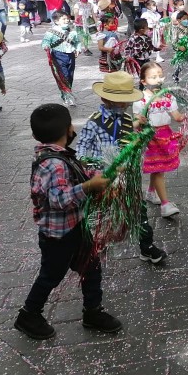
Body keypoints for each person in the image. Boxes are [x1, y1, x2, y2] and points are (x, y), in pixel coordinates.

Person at [13, 104, 120, 340]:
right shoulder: (54, 163)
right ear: (70, 129)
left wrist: (98, 178)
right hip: (58, 235)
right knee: (51, 275)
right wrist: (88, 187)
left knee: (91, 267)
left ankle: (92, 311)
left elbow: (78, 174)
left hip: (76, 226)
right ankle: (28, 314)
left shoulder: (59, 156)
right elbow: (58, 199)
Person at [76, 72, 167, 263]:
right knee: (100, 212)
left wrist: (141, 136)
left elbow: (127, 144)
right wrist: (98, 167)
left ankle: (146, 246)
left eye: (126, 101)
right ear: (105, 98)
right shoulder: (94, 122)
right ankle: (95, 241)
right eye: (120, 101)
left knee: (139, 210)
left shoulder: (126, 120)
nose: (125, 104)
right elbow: (81, 153)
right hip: (102, 179)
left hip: (126, 179)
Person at [133, 63, 185, 218]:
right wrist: (139, 120)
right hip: (150, 138)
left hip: (164, 136)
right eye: (153, 77)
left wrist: (187, 117)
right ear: (143, 81)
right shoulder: (140, 99)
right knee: (157, 170)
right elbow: (136, 121)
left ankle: (150, 192)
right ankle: (165, 205)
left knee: (158, 169)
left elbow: (176, 116)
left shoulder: (168, 96)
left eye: (160, 75)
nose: (158, 80)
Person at [41, 11, 82, 105]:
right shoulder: (51, 32)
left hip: (70, 55)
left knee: (70, 75)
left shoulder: (72, 30)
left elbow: (77, 41)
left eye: (67, 18)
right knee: (63, 76)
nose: (66, 20)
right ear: (56, 21)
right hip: (58, 55)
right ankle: (66, 96)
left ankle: (68, 92)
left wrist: (78, 48)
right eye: (63, 19)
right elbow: (45, 42)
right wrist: (46, 46)